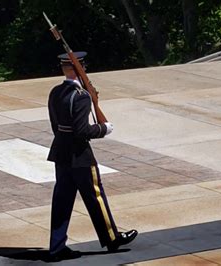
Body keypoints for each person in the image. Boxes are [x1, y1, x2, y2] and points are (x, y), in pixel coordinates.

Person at [47, 51, 138, 261]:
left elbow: (55, 126)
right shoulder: (80, 96)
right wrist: (103, 128)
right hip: (80, 155)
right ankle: (112, 238)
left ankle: (56, 246)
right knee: (95, 197)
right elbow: (82, 131)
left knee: (61, 201)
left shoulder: (55, 92)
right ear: (81, 68)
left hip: (61, 153)